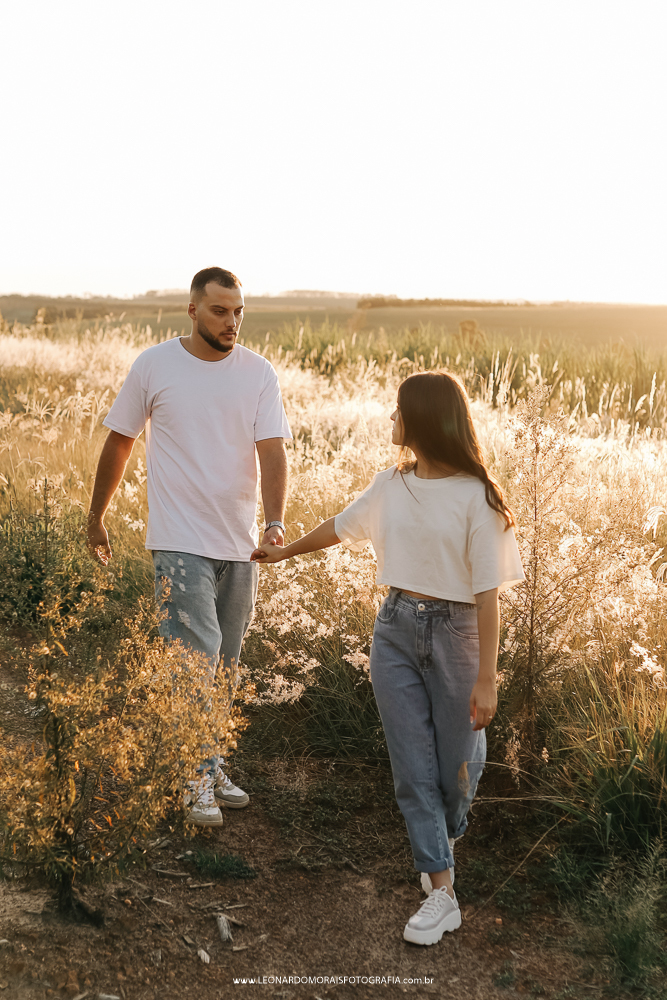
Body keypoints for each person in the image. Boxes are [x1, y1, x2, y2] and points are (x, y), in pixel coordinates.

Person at [251, 370, 524, 945]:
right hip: (395, 630)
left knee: (459, 768)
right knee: (412, 768)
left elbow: (488, 595)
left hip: (459, 633)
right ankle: (442, 890)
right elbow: (340, 526)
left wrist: (487, 678)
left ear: (422, 419)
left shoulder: (478, 498)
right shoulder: (390, 485)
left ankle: (438, 842)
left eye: (397, 409)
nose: (389, 419)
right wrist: (285, 553)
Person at [87, 267, 292, 827]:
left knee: (224, 663)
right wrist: (96, 516)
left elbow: (272, 451)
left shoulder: (258, 373)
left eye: (239, 311)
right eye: (221, 310)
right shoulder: (155, 365)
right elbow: (120, 441)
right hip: (178, 538)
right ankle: (190, 773)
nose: (232, 322)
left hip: (239, 543)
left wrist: (274, 522)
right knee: (192, 657)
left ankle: (209, 760)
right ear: (193, 310)